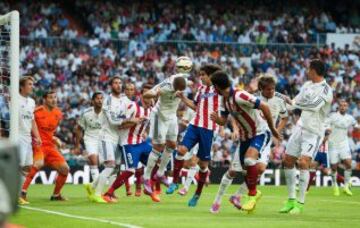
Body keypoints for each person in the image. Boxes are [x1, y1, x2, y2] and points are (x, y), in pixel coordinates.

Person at [211, 73, 289, 213]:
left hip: (261, 133)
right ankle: (221, 200)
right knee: (238, 171)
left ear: (217, 87)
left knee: (253, 163)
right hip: (244, 137)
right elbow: (225, 119)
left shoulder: (240, 95)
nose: (271, 91)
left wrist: (274, 130)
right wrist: (218, 120)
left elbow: (267, 108)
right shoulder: (226, 100)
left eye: (213, 87)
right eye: (268, 89)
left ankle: (250, 195)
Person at [280, 59, 333, 214]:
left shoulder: (325, 90)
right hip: (301, 127)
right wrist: (288, 103)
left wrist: (295, 104)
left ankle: (300, 203)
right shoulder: (307, 85)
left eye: (309, 69)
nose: (307, 71)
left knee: (303, 162)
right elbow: (297, 99)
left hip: (314, 131)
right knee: (287, 160)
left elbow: (314, 106)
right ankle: (291, 200)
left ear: (314, 71)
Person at [166, 64, 222, 207]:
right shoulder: (201, 89)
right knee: (180, 150)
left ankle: (197, 194)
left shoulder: (219, 89)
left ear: (211, 76)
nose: (201, 77)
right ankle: (175, 182)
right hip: (195, 125)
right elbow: (196, 106)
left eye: (204, 74)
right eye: (200, 74)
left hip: (208, 129)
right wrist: (183, 98)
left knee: (203, 165)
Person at [90, 76, 136, 203]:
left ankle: (92, 186)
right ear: (111, 86)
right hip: (106, 137)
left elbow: (132, 109)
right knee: (110, 166)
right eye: (115, 83)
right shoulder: (108, 101)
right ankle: (97, 194)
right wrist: (128, 120)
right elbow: (112, 120)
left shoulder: (122, 100)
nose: (118, 85)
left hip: (117, 138)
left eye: (120, 83)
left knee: (115, 168)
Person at [103, 87, 153, 203]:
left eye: (151, 95)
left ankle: (148, 186)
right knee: (130, 170)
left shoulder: (151, 109)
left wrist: (145, 131)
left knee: (156, 160)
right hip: (129, 143)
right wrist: (133, 121)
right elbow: (120, 125)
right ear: (141, 95)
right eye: (147, 94)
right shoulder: (133, 107)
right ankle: (108, 193)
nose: (149, 97)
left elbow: (147, 125)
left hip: (142, 142)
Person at [142, 74, 187, 202]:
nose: (180, 92)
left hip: (172, 117)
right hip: (159, 117)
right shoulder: (165, 86)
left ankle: (160, 173)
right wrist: (155, 93)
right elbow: (146, 95)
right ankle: (146, 178)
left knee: (172, 145)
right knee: (159, 146)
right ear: (174, 86)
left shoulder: (183, 82)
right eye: (178, 89)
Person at [21, 91, 69, 201]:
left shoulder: (58, 113)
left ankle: (56, 195)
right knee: (38, 163)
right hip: (37, 144)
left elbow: (50, 132)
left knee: (65, 169)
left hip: (50, 147)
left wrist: (55, 138)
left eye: (55, 97)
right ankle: (22, 192)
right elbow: (28, 127)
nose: (54, 100)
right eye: (51, 97)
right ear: (45, 99)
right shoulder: (36, 112)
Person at [74, 92, 105, 199]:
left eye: (102, 98)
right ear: (92, 101)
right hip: (90, 139)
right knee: (94, 160)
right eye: (97, 99)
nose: (100, 100)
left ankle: (92, 186)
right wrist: (77, 145)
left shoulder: (107, 112)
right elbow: (78, 129)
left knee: (110, 165)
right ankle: (97, 193)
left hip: (104, 141)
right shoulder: (86, 113)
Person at [18, 76, 41, 205]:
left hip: (27, 137)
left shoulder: (31, 102)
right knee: (18, 166)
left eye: (32, 84)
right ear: (22, 86)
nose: (32, 86)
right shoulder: (14, 99)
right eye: (30, 84)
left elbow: (32, 120)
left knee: (27, 167)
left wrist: (37, 136)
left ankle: (18, 195)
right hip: (16, 135)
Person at [327, 100, 357, 196]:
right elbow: (326, 126)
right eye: (341, 105)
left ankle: (346, 186)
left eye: (345, 105)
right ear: (339, 107)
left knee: (348, 164)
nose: (343, 107)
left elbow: (356, 125)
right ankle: (335, 185)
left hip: (344, 144)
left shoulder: (350, 118)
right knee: (334, 167)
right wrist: (327, 131)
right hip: (333, 144)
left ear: (347, 107)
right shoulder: (332, 116)